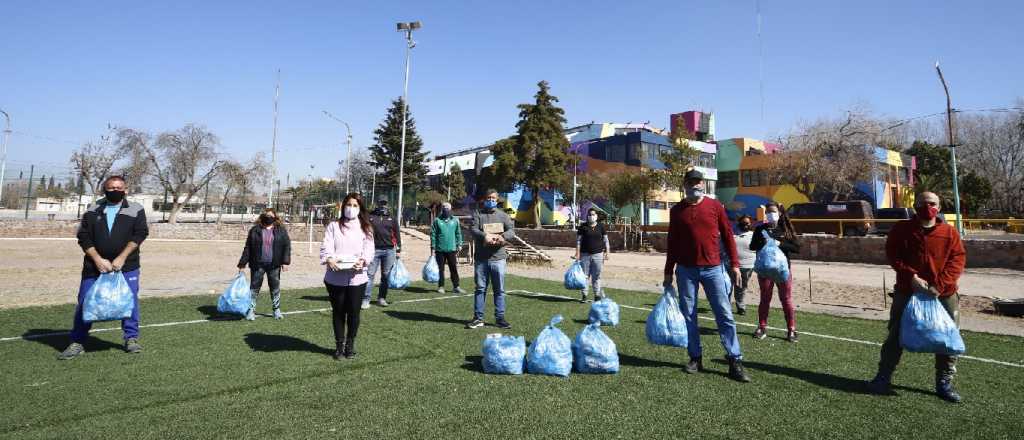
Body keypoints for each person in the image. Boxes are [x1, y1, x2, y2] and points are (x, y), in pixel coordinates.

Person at [868, 192, 966, 403]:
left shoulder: (949, 232)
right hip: (907, 291)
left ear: (939, 207)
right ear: (914, 205)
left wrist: (940, 285)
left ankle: (944, 382)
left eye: (932, 203)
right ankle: (883, 376)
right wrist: (910, 277)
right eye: (922, 203)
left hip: (943, 294)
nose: (927, 207)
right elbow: (893, 255)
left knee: (947, 338)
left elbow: (957, 260)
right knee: (895, 335)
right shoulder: (902, 229)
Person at [663, 169, 749, 382]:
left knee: (724, 314)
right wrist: (668, 271)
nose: (695, 185)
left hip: (714, 269)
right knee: (689, 315)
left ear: (703, 184)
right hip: (686, 270)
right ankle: (695, 357)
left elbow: (728, 236)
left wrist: (735, 265)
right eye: (691, 182)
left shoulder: (715, 206)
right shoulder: (676, 211)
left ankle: (734, 359)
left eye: (699, 182)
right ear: (685, 185)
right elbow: (672, 243)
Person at [58, 176, 149, 360]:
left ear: (126, 189)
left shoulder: (136, 209)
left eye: (119, 187)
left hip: (127, 266)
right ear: (104, 190)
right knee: (85, 302)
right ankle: (77, 342)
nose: (115, 190)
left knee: (129, 301)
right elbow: (83, 236)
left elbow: (140, 233)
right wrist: (98, 260)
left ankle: (131, 338)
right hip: (94, 267)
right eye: (111, 187)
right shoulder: (93, 209)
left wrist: (122, 258)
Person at [320, 193, 376, 360]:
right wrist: (329, 258)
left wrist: (363, 260)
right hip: (335, 278)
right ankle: (339, 347)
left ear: (360, 208)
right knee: (338, 312)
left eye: (355, 205)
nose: (351, 208)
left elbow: (369, 249)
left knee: (354, 313)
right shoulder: (333, 226)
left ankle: (350, 345)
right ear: (343, 206)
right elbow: (326, 245)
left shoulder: (366, 227)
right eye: (348, 205)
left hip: (357, 278)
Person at [749, 203, 801, 342]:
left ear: (779, 213)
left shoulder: (785, 229)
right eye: (768, 212)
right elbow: (752, 246)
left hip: (783, 271)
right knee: (765, 299)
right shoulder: (760, 229)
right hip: (765, 270)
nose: (770, 214)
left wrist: (780, 243)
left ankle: (791, 329)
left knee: (786, 299)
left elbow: (797, 248)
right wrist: (763, 242)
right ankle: (762, 327)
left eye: (773, 211)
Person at [466, 189, 515, 330]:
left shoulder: (503, 215)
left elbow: (512, 231)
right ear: (484, 199)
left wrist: (502, 236)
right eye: (488, 198)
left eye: (493, 198)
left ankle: (500, 318)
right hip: (481, 259)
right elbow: (473, 229)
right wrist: (484, 236)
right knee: (480, 289)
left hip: (498, 258)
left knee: (499, 290)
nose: (491, 200)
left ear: (497, 200)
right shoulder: (478, 214)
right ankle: (478, 318)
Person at [237, 208, 291, 320]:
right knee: (254, 288)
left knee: (275, 287)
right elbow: (248, 248)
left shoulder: (281, 230)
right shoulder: (255, 230)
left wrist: (285, 262)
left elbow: (286, 246)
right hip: (257, 264)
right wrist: (242, 263)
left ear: (275, 217)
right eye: (266, 215)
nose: (268, 217)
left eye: (271, 216)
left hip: (274, 265)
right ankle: (251, 310)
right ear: (262, 217)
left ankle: (276, 310)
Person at [364, 195, 402, 308]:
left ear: (387, 204)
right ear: (377, 203)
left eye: (384, 203)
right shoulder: (370, 216)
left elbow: (397, 234)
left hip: (389, 250)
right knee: (369, 274)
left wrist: (399, 249)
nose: (383, 205)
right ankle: (366, 299)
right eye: (381, 203)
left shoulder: (392, 218)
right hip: (373, 250)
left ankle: (381, 298)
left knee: (386, 276)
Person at [575, 208, 610, 303]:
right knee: (585, 276)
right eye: (590, 214)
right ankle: (584, 295)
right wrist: (577, 253)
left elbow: (606, 240)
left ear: (596, 216)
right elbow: (578, 241)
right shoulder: (583, 227)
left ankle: (597, 295)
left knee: (597, 276)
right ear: (587, 216)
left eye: (593, 214)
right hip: (585, 255)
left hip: (598, 255)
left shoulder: (601, 226)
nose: (591, 216)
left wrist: (607, 252)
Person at [431, 202, 465, 294]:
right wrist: (433, 247)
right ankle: (441, 286)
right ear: (442, 210)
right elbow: (433, 234)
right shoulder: (437, 221)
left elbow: (458, 233)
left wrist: (459, 244)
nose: (446, 211)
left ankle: (456, 286)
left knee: (453, 268)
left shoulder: (455, 220)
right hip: (439, 250)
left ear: (450, 210)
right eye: (444, 209)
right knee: (440, 269)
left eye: (448, 209)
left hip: (451, 249)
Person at [730, 215, 756, 315]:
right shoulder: (732, 234)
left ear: (751, 224)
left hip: (747, 266)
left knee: (741, 287)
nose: (745, 225)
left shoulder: (754, 235)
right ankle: (726, 306)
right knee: (727, 286)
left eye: (747, 223)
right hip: (731, 265)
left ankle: (741, 307)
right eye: (743, 223)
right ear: (739, 223)